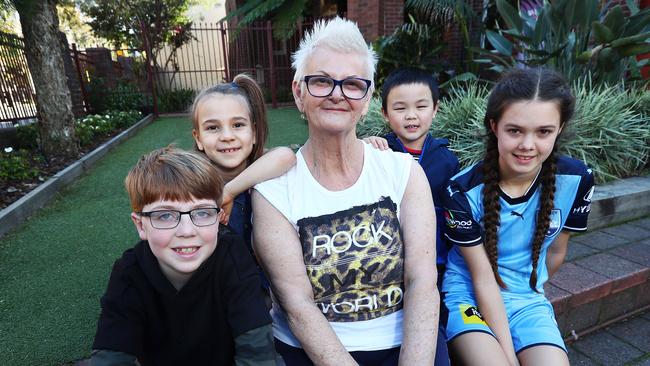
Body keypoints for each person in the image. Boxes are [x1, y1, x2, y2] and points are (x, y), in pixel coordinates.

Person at [252, 17, 441, 365]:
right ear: (299, 92)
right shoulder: (273, 192)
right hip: (312, 352)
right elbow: (298, 305)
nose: (338, 94)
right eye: (322, 81)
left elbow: (422, 281)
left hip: (406, 344)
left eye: (353, 84)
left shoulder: (403, 172)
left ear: (367, 98)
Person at [440, 68, 594, 366]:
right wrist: (509, 356)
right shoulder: (460, 191)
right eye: (515, 130)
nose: (527, 144)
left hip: (526, 300)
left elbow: (557, 252)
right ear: (494, 126)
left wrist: (529, 287)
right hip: (468, 294)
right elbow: (483, 279)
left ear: (560, 129)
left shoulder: (577, 179)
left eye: (543, 132)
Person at [91, 147, 276, 366]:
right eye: (166, 215)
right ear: (141, 225)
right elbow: (111, 355)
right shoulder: (129, 273)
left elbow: (257, 353)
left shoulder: (232, 257)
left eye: (202, 212)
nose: (187, 231)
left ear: (219, 218)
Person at [190, 73, 296, 254]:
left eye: (238, 125)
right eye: (213, 128)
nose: (227, 136)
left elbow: (286, 156)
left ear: (254, 132)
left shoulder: (262, 166)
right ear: (198, 138)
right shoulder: (192, 183)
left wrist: (229, 192)